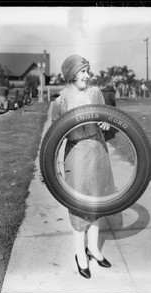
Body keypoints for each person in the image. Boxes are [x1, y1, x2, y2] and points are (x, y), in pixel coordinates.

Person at [51, 54, 116, 279]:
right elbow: (54, 138)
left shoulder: (95, 93)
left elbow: (107, 119)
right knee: (79, 204)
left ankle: (94, 249)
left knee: (98, 201)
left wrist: (106, 123)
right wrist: (50, 167)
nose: (87, 76)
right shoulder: (60, 101)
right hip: (76, 153)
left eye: (89, 72)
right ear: (71, 75)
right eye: (83, 72)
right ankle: (80, 253)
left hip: (97, 149)